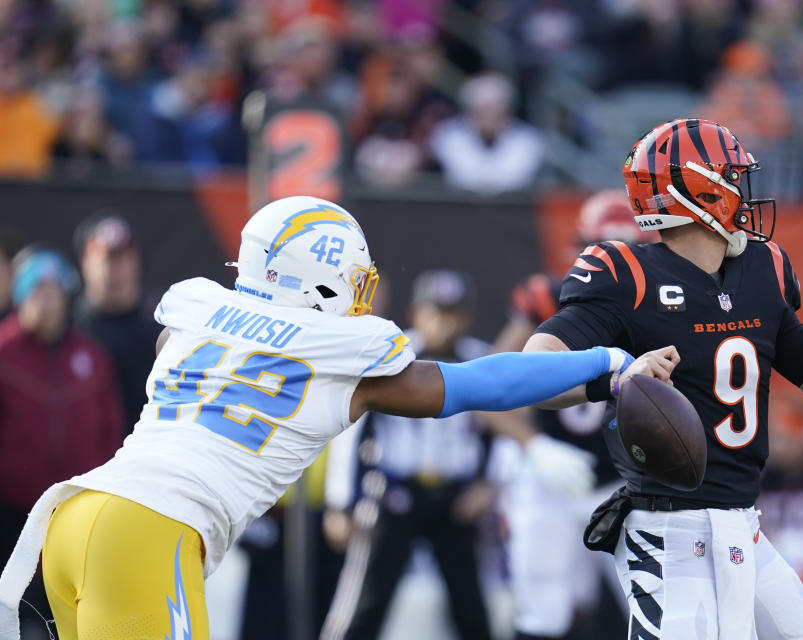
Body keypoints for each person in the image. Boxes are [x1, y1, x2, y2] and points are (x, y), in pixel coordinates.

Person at [0, 196, 633, 640]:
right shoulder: (344, 359)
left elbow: (191, 348)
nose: (361, 298)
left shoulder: (195, 314)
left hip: (77, 515)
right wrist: (604, 359)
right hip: (147, 532)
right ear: (320, 281)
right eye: (351, 282)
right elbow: (482, 383)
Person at [523, 119, 803, 640]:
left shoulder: (763, 270)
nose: (743, 194)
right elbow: (535, 366)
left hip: (744, 523)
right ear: (700, 190)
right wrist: (615, 375)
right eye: (733, 179)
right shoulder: (626, 273)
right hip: (665, 528)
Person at [493, 189, 655, 640]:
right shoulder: (547, 298)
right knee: (544, 610)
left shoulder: (662, 309)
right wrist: (535, 445)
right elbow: (493, 384)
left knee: (653, 610)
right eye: (607, 253)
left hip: (625, 481)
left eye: (630, 254)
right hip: (551, 478)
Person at [321, 270, 494, 640]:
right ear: (417, 313)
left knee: (472, 611)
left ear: (467, 317)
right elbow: (349, 429)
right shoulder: (389, 357)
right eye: (437, 312)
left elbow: (504, 429)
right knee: (365, 605)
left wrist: (490, 483)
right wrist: (341, 503)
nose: (445, 323)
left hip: (456, 499)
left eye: (454, 313)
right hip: (394, 495)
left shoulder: (481, 360)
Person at [0, 248, 125, 637]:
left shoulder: (92, 356)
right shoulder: (3, 353)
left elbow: (112, 433)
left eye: (56, 290)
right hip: (9, 518)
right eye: (39, 289)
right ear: (21, 294)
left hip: (73, 520)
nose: (48, 299)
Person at [73, 212, 162, 432]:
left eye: (124, 258)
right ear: (85, 262)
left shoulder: (162, 319)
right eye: (107, 259)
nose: (117, 269)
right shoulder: (69, 325)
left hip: (149, 450)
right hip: (92, 455)